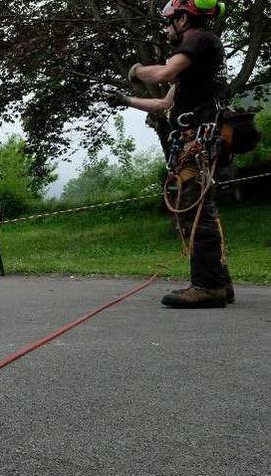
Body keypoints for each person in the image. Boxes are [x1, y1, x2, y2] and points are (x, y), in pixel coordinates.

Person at [119, 0, 231, 308]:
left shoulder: (198, 39)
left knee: (194, 208)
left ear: (184, 19)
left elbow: (163, 74)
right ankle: (220, 282)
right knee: (200, 207)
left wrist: (137, 70)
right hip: (192, 143)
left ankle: (208, 286)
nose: (169, 29)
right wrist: (125, 100)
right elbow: (163, 104)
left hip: (196, 143)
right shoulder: (195, 65)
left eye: (171, 22)